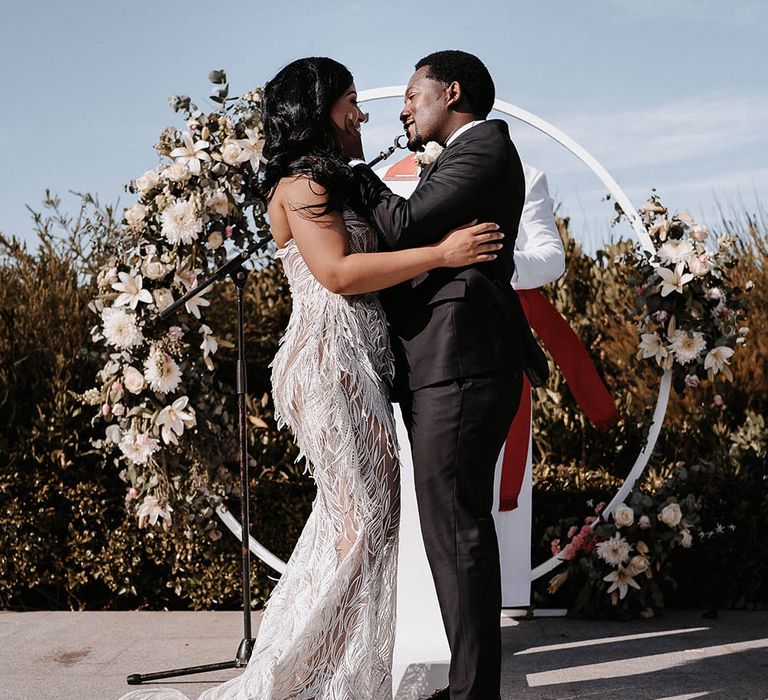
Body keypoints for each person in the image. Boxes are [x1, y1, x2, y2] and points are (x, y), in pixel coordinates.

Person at [118, 57, 502, 700]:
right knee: (362, 529)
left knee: (359, 527)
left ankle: (336, 674)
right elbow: (338, 274)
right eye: (352, 101)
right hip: (331, 368)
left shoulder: (335, 182)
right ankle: (291, 676)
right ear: (321, 111)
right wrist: (443, 254)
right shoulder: (300, 185)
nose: (363, 113)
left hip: (362, 368)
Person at [349, 50, 538, 700]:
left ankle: (472, 694)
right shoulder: (470, 152)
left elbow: (401, 225)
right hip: (447, 361)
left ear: (450, 91)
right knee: (450, 531)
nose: (402, 107)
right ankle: (469, 687)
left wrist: (350, 176)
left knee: (458, 530)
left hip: (463, 360)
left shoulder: (482, 148)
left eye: (411, 94)